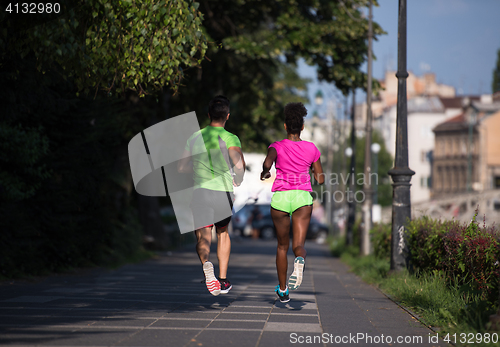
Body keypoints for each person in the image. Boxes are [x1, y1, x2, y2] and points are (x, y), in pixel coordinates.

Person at [178, 95, 245, 296]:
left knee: (203, 235)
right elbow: (239, 165)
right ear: (227, 116)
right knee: (223, 233)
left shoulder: (194, 137)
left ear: (208, 115)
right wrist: (239, 179)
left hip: (200, 192)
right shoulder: (231, 138)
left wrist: (198, 170)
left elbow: (181, 167)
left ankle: (207, 266)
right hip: (222, 193)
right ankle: (223, 280)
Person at [260, 102, 324, 303]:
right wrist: (314, 173)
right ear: (302, 127)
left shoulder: (276, 146)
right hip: (302, 198)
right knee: (299, 245)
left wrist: (266, 170)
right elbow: (320, 179)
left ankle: (283, 289)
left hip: (281, 198)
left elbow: (267, 162)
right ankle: (300, 260)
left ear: (285, 126)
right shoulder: (311, 148)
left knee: (281, 246)